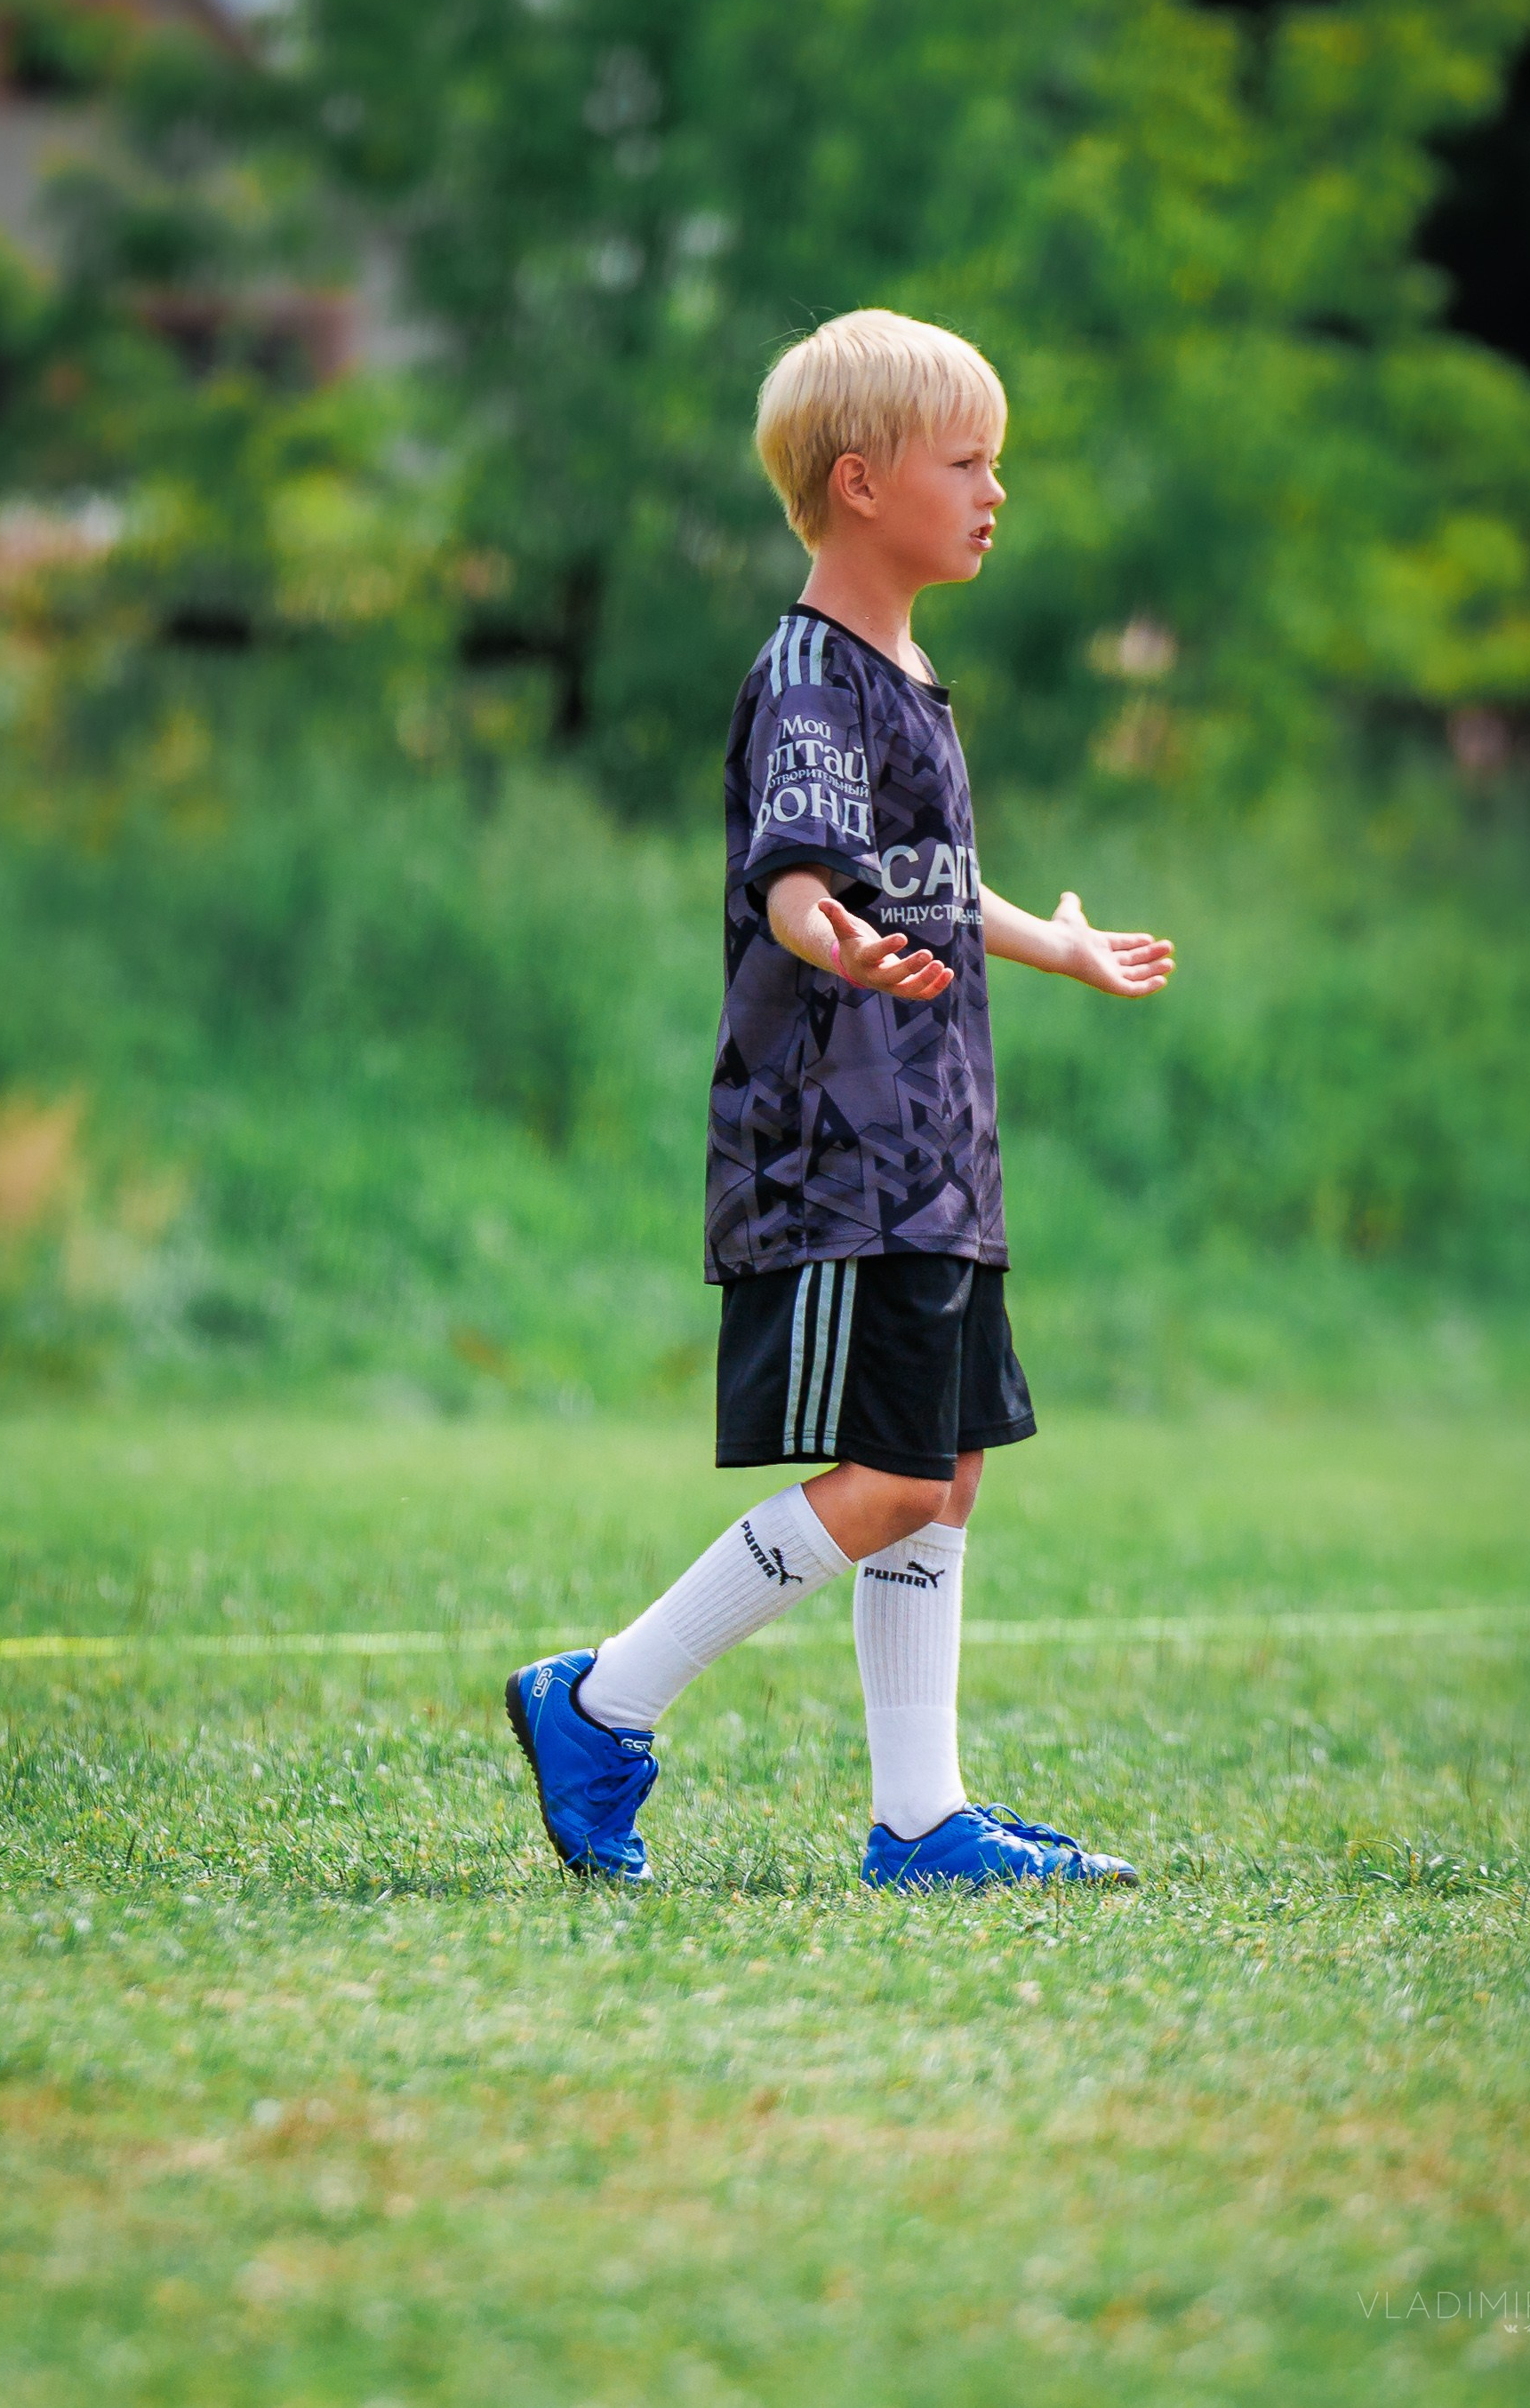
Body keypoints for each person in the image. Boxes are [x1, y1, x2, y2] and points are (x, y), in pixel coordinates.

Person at [507, 309, 1174, 1886]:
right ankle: (598, 1702)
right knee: (885, 1478)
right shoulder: (809, 676)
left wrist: (1053, 943)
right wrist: (837, 944)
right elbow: (801, 882)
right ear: (862, 482)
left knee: (945, 1468)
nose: (994, 490)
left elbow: (925, 880)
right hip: (839, 1152)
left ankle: (921, 1819)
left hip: (935, 1153)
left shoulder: (909, 671)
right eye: (968, 462)